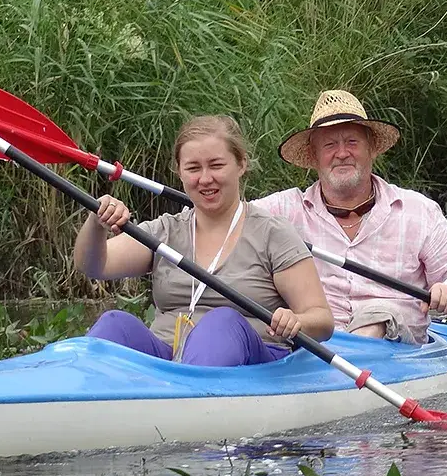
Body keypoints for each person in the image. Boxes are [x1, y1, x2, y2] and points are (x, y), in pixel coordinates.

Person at [73, 114, 334, 367]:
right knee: (115, 323)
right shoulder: (166, 230)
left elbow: (322, 320)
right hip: (168, 355)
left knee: (219, 323)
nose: (205, 179)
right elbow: (94, 266)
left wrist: (296, 321)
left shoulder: (273, 233)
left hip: (253, 362)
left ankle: (191, 400)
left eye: (217, 165)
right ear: (180, 172)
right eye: (193, 168)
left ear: (241, 164)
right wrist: (97, 224)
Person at [251, 89, 447, 344]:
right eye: (330, 145)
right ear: (315, 156)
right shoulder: (281, 210)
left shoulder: (418, 211)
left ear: (371, 149)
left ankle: (358, 352)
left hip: (398, 352)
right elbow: (228, 219)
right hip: (310, 353)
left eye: (352, 143)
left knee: (379, 316)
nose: (342, 153)